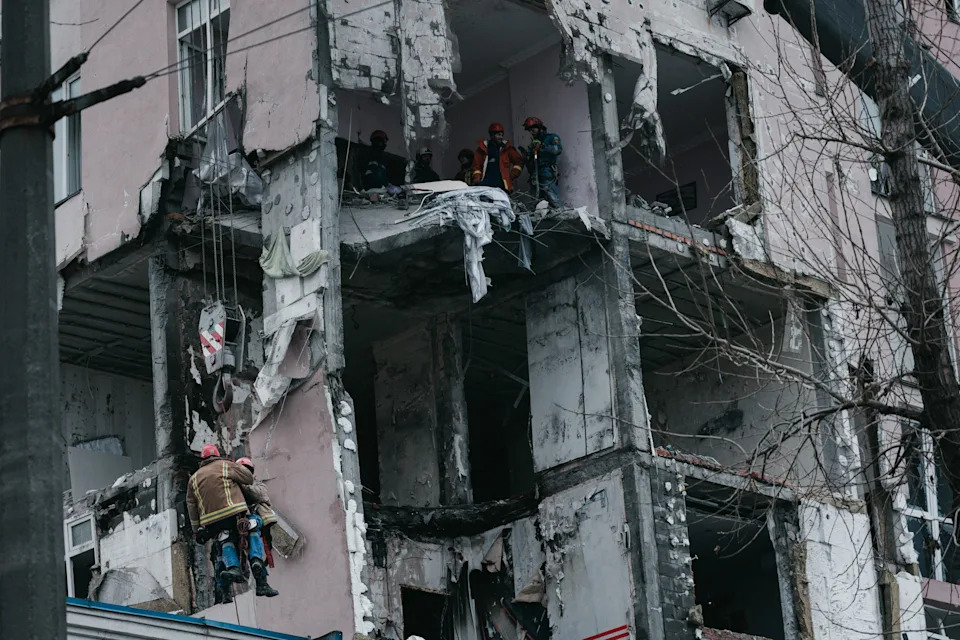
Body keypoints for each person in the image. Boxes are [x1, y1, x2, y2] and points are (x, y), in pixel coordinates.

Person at [186, 445, 278, 602]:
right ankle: (257, 567)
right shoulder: (226, 466)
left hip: (212, 522)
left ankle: (233, 570)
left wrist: (197, 529)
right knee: (254, 525)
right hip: (234, 513)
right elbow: (248, 479)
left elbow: (191, 505)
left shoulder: (193, 479)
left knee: (224, 539)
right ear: (217, 455)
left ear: (202, 459)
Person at [235, 457, 279, 574]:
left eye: (247, 470)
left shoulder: (258, 484)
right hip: (239, 521)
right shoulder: (233, 486)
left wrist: (243, 487)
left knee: (254, 534)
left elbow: (257, 494)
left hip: (257, 520)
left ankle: (257, 565)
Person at [471, 122, 524, 193]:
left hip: (502, 186)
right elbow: (476, 165)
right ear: (492, 135)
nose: (501, 137)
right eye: (498, 135)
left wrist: (512, 175)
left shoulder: (507, 148)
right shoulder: (483, 148)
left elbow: (519, 161)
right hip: (485, 185)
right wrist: (477, 177)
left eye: (502, 135)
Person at [522, 116, 562, 207]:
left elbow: (558, 150)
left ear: (539, 127)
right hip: (535, 172)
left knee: (552, 197)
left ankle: (560, 214)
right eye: (529, 130)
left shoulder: (552, 138)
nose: (532, 132)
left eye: (533, 129)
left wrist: (542, 147)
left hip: (547, 171)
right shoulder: (533, 143)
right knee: (535, 199)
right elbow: (530, 158)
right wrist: (526, 156)